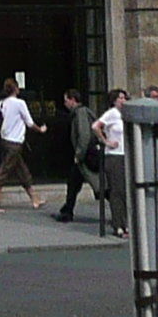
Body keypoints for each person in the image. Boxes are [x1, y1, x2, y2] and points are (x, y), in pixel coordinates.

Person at [0, 78, 36, 212]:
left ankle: (34, 199)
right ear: (16, 89)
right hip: (16, 142)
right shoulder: (20, 103)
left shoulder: (2, 104)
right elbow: (30, 123)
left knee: (21, 169)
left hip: (5, 141)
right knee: (5, 170)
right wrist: (40, 129)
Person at [52, 89, 97, 224]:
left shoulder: (80, 113)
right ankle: (67, 210)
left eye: (66, 101)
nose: (65, 104)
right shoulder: (80, 113)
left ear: (73, 100)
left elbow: (84, 135)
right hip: (84, 156)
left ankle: (67, 211)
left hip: (84, 157)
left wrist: (79, 154)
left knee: (99, 187)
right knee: (73, 184)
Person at [92, 91, 129, 237]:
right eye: (120, 98)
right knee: (117, 191)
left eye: (124, 97)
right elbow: (96, 126)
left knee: (126, 191)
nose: (123, 100)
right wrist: (105, 141)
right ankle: (118, 225)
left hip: (125, 154)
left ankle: (125, 223)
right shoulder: (112, 113)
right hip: (114, 155)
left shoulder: (126, 115)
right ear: (114, 100)